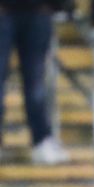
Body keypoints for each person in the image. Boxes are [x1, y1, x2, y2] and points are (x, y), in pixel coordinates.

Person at [0, 0, 71, 164]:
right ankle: (42, 141)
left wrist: (58, 5)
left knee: (36, 84)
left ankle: (41, 140)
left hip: (39, 11)